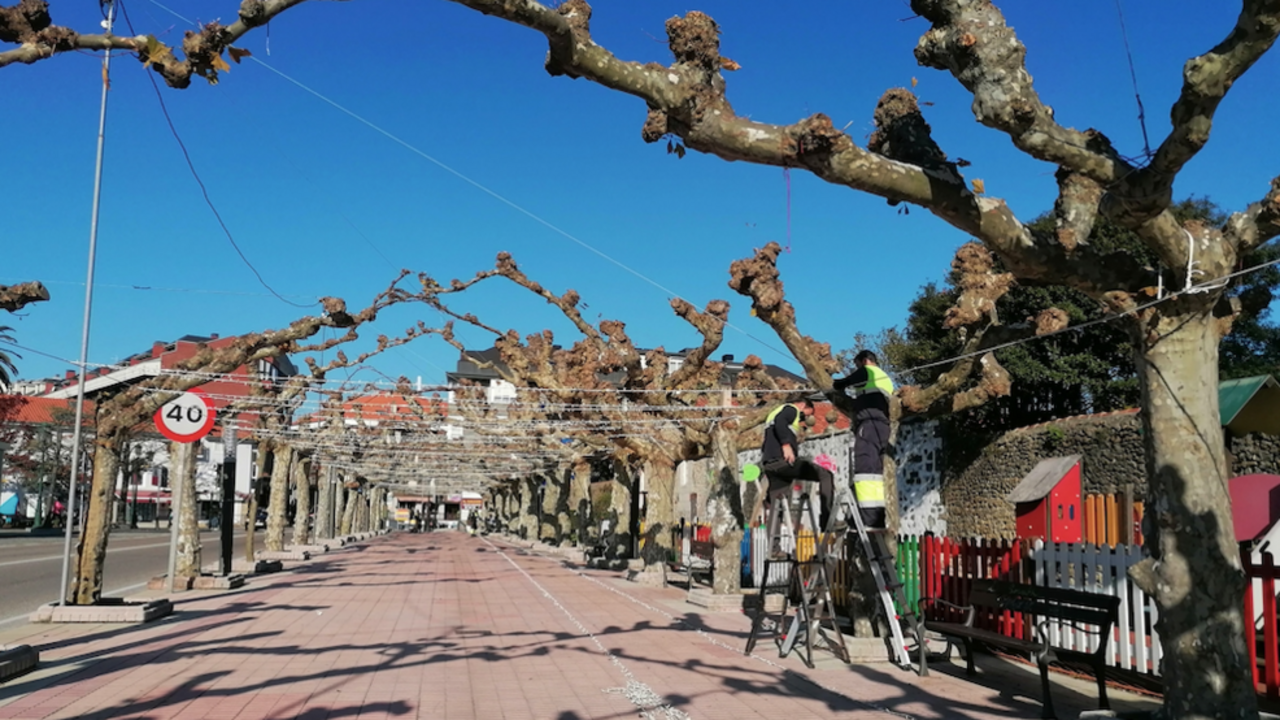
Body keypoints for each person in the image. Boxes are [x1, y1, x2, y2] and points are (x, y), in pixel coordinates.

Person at [760, 397, 834, 559]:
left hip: (771, 464)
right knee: (825, 475)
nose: (806, 418)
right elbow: (781, 422)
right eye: (808, 413)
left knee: (776, 505)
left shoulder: (772, 414)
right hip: (784, 461)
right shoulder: (790, 409)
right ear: (803, 405)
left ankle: (774, 549)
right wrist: (787, 445)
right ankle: (827, 520)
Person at [834, 350, 895, 529]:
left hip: (869, 425)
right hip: (882, 426)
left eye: (857, 364)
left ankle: (865, 518)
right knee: (876, 471)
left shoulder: (868, 371)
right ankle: (875, 517)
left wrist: (839, 384)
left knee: (864, 467)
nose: (857, 368)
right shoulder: (885, 378)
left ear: (865, 361)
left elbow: (850, 380)